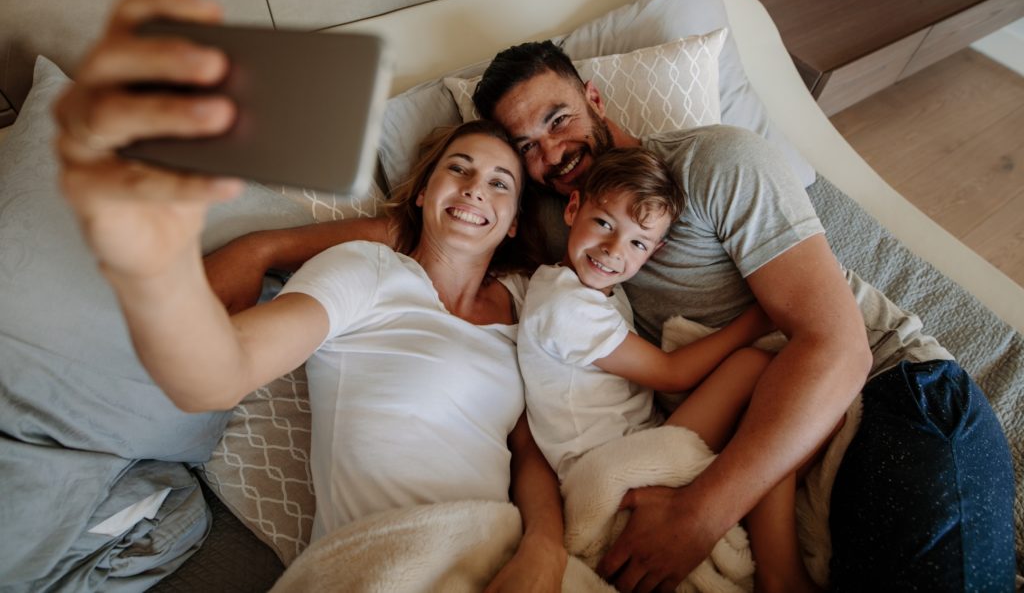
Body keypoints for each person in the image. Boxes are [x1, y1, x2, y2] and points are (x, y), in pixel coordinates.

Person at [209, 36, 1017, 592]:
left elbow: (834, 348)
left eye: (558, 118)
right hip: (782, 459)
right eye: (525, 147)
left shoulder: (717, 163)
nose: (551, 151)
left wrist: (703, 512)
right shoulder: (564, 221)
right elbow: (439, 227)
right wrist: (264, 245)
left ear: (594, 97)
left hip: (893, 399)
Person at [54, 0, 570, 592]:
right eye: (458, 168)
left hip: (506, 554)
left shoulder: (525, 304)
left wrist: (545, 549)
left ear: (512, 222)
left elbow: (529, 449)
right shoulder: (367, 271)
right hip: (387, 565)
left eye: (500, 182)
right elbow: (224, 368)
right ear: (425, 193)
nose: (476, 187)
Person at [518, 146, 823, 593]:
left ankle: (770, 546)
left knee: (791, 415)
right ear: (572, 208)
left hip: (638, 445)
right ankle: (782, 573)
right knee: (759, 372)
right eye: (603, 223)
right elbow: (671, 374)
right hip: (610, 468)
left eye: (637, 243)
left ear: (654, 252)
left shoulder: (587, 288)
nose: (612, 250)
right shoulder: (564, 307)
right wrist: (758, 317)